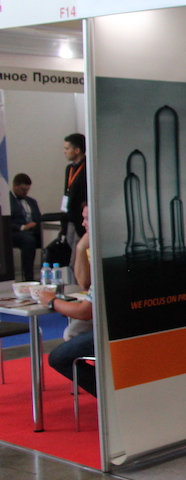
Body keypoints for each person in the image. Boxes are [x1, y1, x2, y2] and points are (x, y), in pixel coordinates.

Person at [45, 205, 95, 396]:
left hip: (113, 326)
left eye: (87, 219)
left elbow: (84, 312)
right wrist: (81, 248)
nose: (83, 223)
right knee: (72, 332)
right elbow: (84, 282)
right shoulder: (91, 245)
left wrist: (52, 302)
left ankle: (105, 392)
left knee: (58, 357)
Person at [9, 173, 43, 281]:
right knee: (29, 240)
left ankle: (48, 271)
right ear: (15, 186)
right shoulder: (7, 201)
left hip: (33, 230)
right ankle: (29, 277)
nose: (25, 192)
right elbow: (5, 223)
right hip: (16, 232)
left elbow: (39, 218)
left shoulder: (31, 201)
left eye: (27, 190)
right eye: (23, 190)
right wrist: (23, 227)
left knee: (50, 239)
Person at [62, 133, 88, 259]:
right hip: (70, 215)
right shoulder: (70, 168)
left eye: (67, 148)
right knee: (69, 248)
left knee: (78, 254)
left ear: (77, 150)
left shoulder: (87, 167)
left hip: (81, 217)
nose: (64, 151)